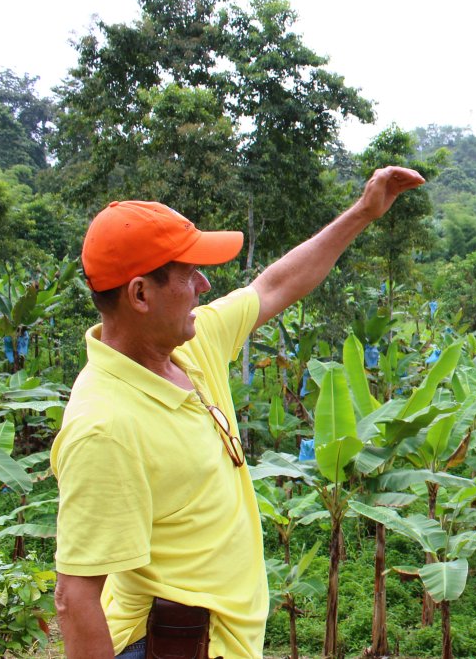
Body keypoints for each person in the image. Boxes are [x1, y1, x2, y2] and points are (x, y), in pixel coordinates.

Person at [51, 166, 426, 658]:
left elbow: (274, 286)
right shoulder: (105, 425)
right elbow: (74, 597)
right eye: (188, 274)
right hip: (169, 646)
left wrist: (362, 213)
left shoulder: (189, 344)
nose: (204, 285)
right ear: (140, 294)